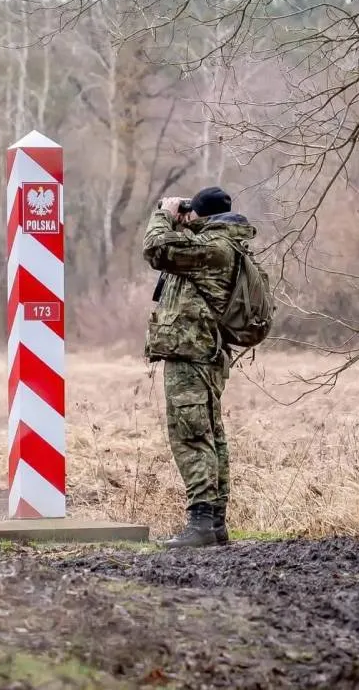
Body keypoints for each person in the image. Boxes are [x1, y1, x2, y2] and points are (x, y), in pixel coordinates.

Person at [142, 186, 256, 549]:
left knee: (192, 435)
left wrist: (164, 213)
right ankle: (215, 523)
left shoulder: (214, 250)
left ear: (200, 218)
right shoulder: (221, 246)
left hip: (193, 353)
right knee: (209, 433)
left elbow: (157, 248)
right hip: (201, 352)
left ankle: (202, 522)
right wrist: (185, 220)